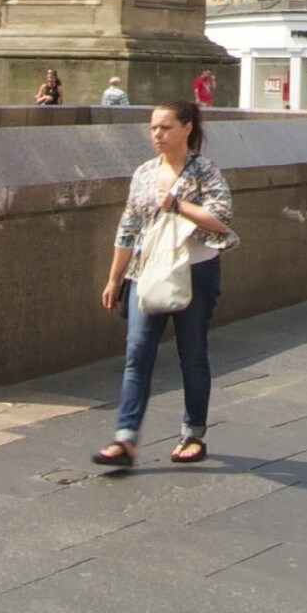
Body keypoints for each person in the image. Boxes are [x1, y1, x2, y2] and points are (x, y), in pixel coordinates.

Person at [94, 101, 234, 469]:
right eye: (154, 127)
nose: (157, 134)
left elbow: (220, 218)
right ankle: (125, 438)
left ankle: (192, 433)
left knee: (192, 354)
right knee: (137, 354)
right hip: (145, 272)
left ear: (187, 128)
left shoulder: (204, 170)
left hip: (194, 271)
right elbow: (128, 228)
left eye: (166, 127)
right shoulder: (143, 173)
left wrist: (178, 204)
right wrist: (114, 277)